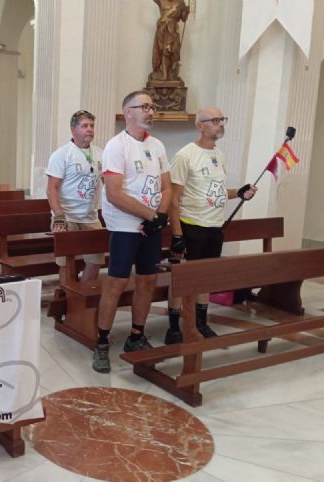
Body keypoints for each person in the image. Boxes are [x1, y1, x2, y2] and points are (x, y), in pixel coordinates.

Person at [93, 90, 172, 373]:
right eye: (144, 107)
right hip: (125, 227)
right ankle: (102, 342)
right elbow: (114, 194)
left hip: (151, 225)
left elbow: (167, 187)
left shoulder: (158, 146)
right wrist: (151, 215)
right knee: (116, 283)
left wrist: (160, 216)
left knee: (148, 280)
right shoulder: (116, 146)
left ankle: (136, 336)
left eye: (152, 106)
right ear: (128, 112)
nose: (151, 111)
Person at [165, 107, 257, 344]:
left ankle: (201, 323)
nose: (220, 124)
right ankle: (174, 326)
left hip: (214, 226)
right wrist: (176, 233)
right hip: (190, 224)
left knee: (206, 278)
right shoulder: (186, 156)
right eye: (215, 120)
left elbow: (216, 192)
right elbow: (173, 198)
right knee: (183, 279)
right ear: (200, 126)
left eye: (222, 119)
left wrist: (240, 192)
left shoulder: (219, 155)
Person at [46, 109, 104, 283]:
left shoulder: (100, 153)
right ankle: (67, 298)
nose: (90, 130)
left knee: (96, 260)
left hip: (90, 216)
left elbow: (108, 183)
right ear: (73, 130)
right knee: (66, 263)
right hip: (67, 216)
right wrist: (59, 217)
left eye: (92, 126)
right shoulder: (62, 154)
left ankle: (82, 298)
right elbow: (52, 189)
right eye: (85, 126)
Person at [149, 0, 190, 82]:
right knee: (163, 51)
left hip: (173, 30)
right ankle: (165, 75)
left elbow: (184, 19)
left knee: (172, 51)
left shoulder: (180, 3)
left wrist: (186, 11)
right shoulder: (161, 1)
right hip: (162, 29)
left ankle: (170, 73)